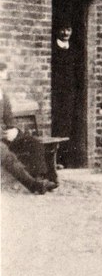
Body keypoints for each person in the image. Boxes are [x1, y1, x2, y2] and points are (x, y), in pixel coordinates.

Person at [1, 63, 58, 194]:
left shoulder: (2, 95)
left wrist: (14, 130)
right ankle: (33, 185)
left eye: (2, 79)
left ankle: (39, 178)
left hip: (5, 135)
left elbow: (9, 118)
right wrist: (3, 134)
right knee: (5, 154)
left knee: (33, 143)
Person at [51, 22, 83, 167]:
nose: (65, 33)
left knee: (69, 126)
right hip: (56, 94)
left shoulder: (74, 50)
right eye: (62, 29)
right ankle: (56, 160)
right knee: (57, 124)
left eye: (68, 29)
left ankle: (66, 160)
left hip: (70, 94)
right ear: (58, 30)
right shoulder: (52, 48)